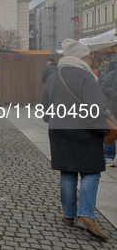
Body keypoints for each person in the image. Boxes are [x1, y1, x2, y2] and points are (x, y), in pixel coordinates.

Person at [40, 39, 109, 240]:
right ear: (81, 57)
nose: (90, 59)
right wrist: (103, 131)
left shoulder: (54, 77)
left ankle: (68, 215)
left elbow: (45, 111)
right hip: (85, 133)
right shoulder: (87, 77)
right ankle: (86, 216)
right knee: (91, 173)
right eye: (88, 55)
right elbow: (96, 110)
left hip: (59, 131)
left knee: (68, 172)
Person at [100, 60, 117, 167]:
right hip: (111, 105)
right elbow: (104, 87)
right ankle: (108, 157)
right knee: (111, 130)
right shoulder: (112, 74)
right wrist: (115, 92)